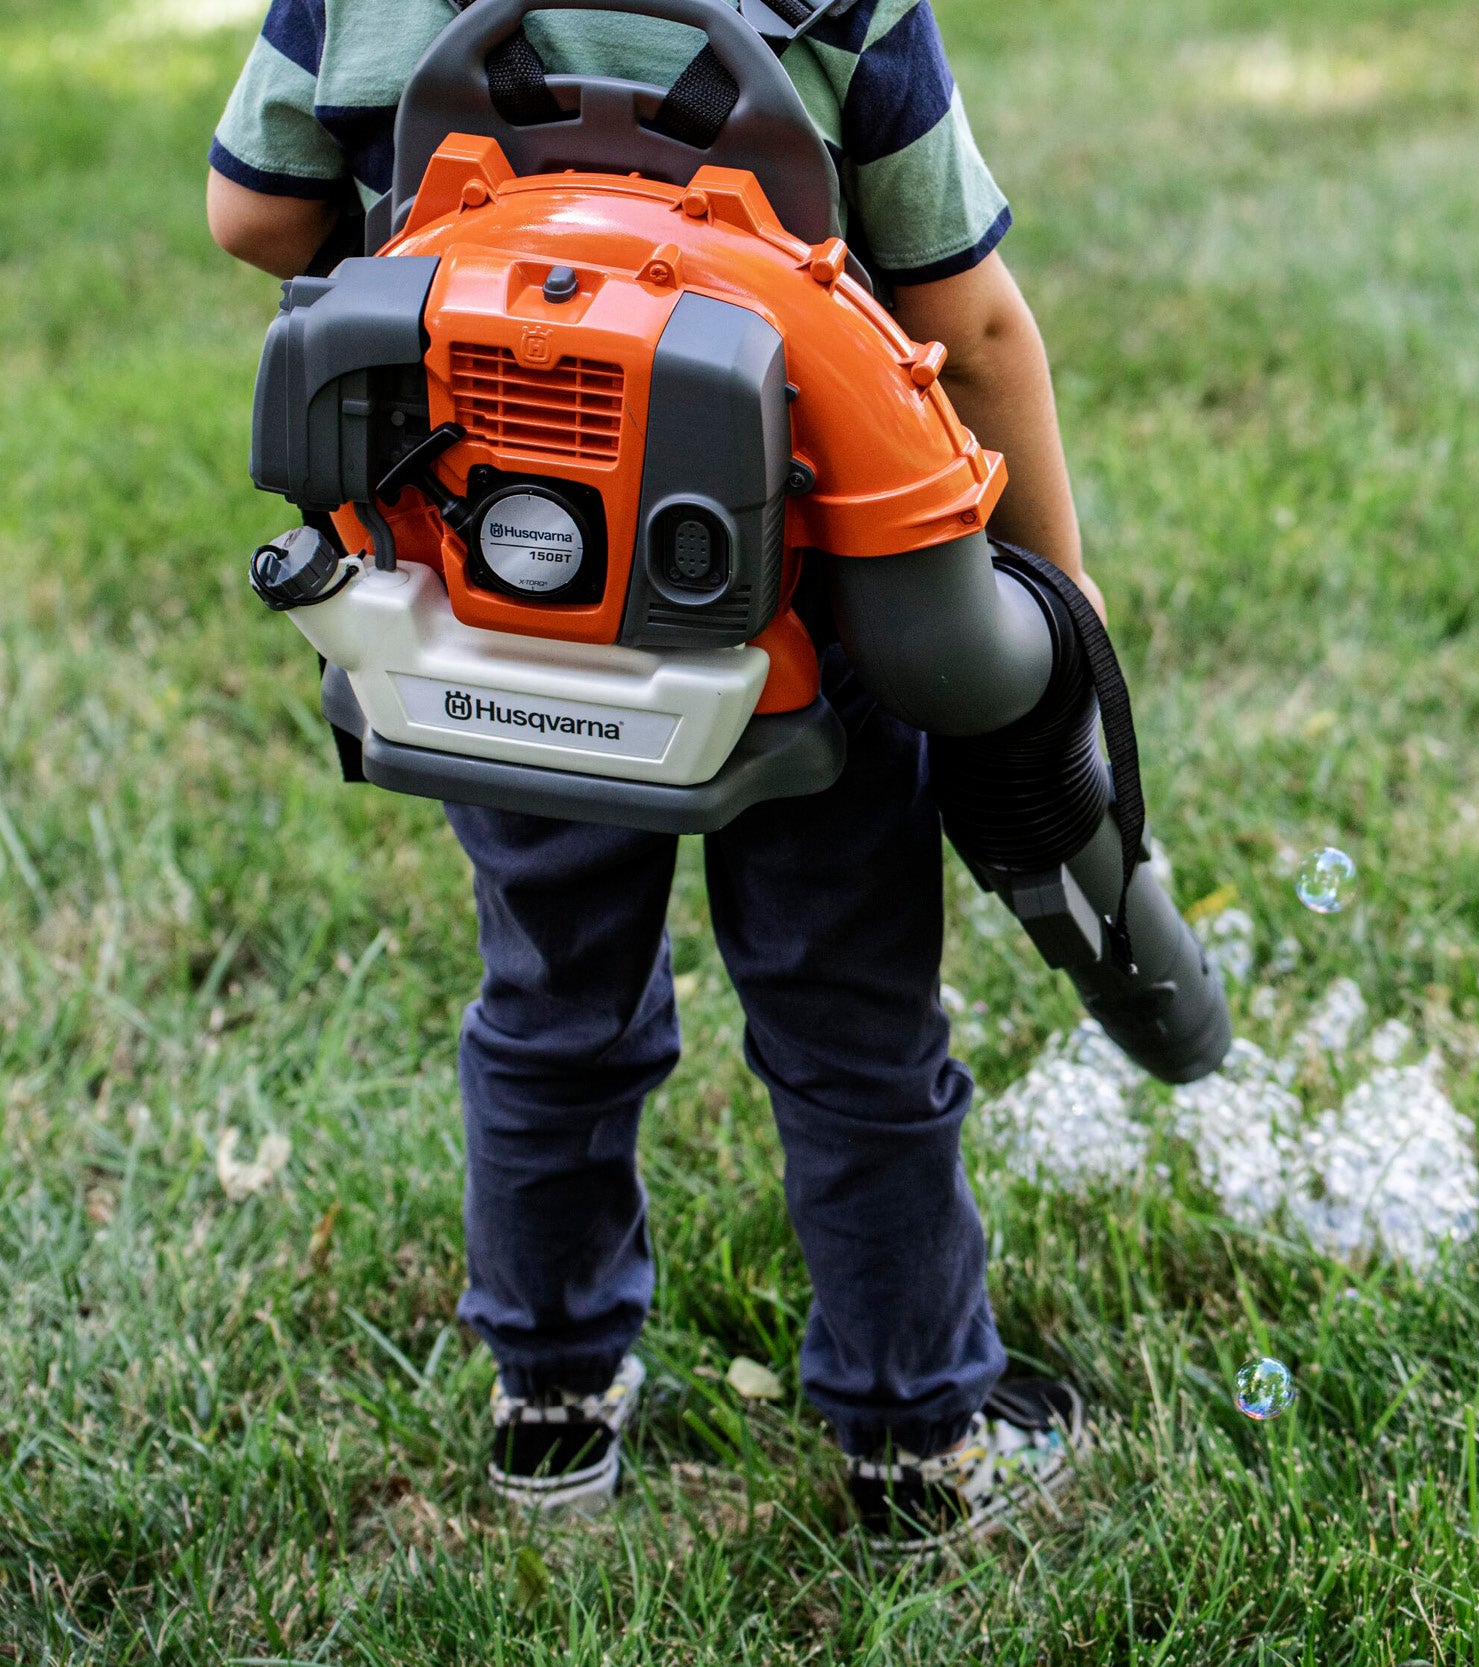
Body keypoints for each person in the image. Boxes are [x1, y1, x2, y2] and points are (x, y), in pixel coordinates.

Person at [209, 0, 1100, 1552]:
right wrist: (1058, 613)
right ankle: (918, 1438)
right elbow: (976, 319)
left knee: (552, 1003)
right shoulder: (849, 11)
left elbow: (255, 213)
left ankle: (551, 1410)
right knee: (855, 1026)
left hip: (506, 610)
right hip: (799, 616)